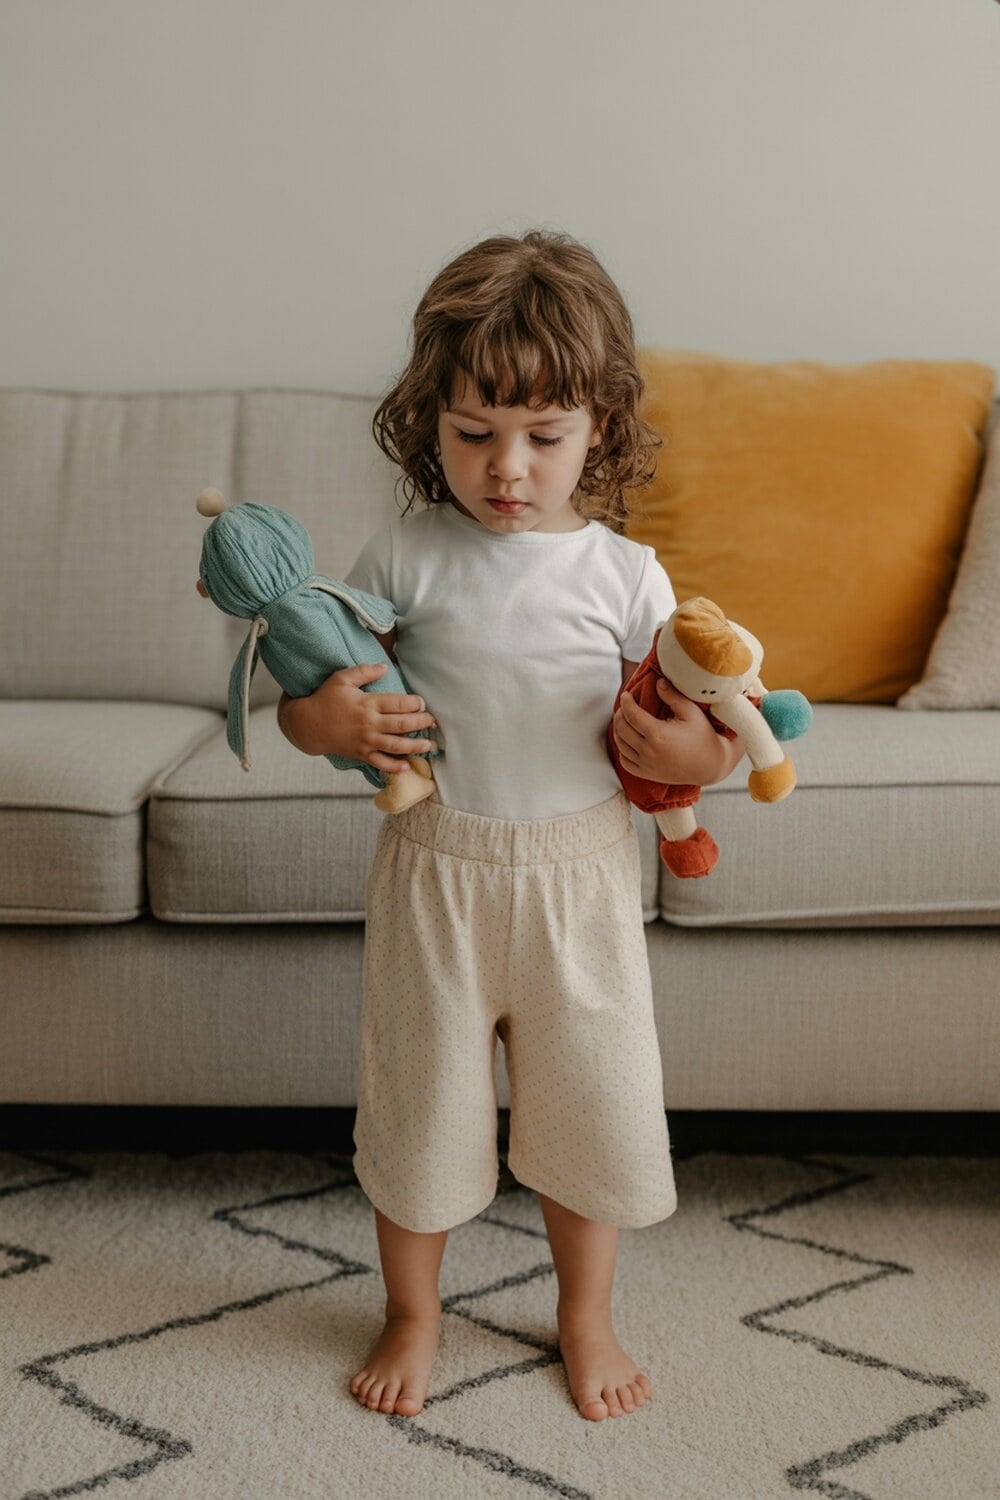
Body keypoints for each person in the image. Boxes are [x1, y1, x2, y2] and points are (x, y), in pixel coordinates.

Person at [277, 230, 744, 1423]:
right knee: (419, 1106)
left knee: (590, 1105)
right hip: (438, 874)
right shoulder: (404, 555)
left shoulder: (626, 575)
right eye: (474, 435)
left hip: (579, 880)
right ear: (425, 422)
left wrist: (694, 755)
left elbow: (706, 724)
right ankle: (413, 1311)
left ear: (601, 428)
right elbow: (319, 695)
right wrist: (328, 724)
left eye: (545, 438)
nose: (508, 470)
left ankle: (583, 1314)